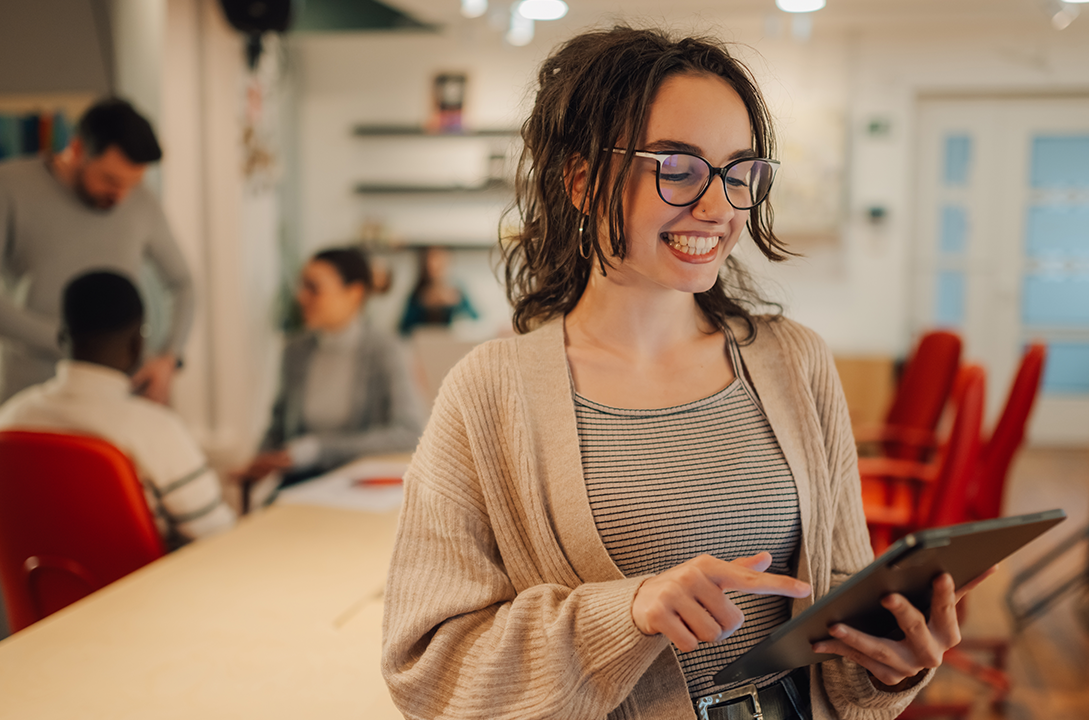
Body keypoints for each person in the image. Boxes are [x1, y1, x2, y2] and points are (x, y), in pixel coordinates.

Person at [381, 27, 993, 720]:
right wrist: (628, 611)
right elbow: (427, 668)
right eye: (678, 167)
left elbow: (839, 619)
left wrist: (891, 661)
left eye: (739, 172)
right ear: (582, 182)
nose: (719, 206)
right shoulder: (488, 393)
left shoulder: (796, 362)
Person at [0, 97, 193, 406]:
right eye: (110, 180)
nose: (121, 196)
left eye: (132, 184)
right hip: (30, 392)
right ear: (77, 150)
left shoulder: (140, 201)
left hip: (121, 392)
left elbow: (182, 282)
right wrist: (70, 342)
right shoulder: (2, 187)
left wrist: (170, 358)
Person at [0, 271, 234, 547]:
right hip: (145, 589)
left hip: (45, 587)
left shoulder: (7, 421)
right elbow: (219, 537)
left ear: (61, 338)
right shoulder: (156, 430)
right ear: (137, 344)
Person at [243, 247, 425, 489]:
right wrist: (258, 463)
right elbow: (279, 425)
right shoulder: (295, 350)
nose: (301, 297)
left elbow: (409, 433)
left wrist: (318, 450)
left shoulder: (385, 351)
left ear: (354, 293)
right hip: (298, 485)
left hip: (358, 486)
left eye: (313, 288)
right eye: (302, 286)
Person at [397, 245, 478, 336]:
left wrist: (456, 304)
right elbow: (404, 329)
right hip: (425, 345)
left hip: (451, 344)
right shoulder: (418, 294)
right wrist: (422, 306)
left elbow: (475, 321)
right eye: (430, 259)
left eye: (439, 259)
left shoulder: (457, 291)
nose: (433, 264)